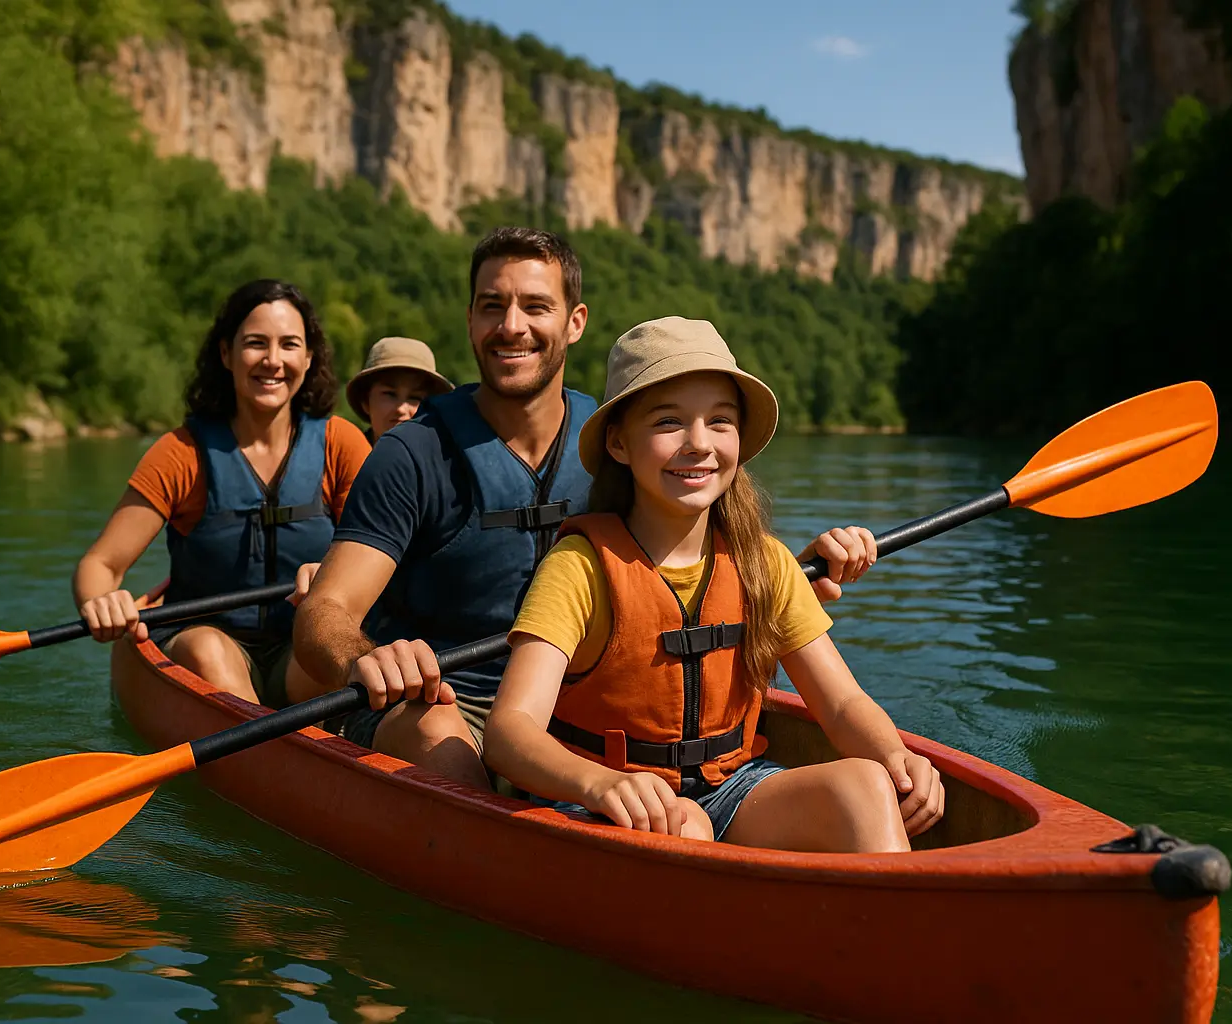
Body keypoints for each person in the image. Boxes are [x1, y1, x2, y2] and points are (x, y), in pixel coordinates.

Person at [293, 227, 879, 791]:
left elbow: (688, 545)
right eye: (492, 306)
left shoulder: (632, 441)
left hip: (584, 704)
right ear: (471, 320)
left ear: (575, 322)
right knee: (438, 728)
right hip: (442, 700)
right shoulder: (410, 454)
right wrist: (368, 658)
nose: (512, 326)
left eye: (535, 306)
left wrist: (779, 577)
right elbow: (325, 612)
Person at [483, 317, 944, 849]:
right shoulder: (578, 567)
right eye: (668, 422)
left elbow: (841, 705)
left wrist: (896, 758)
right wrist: (601, 783)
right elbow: (509, 731)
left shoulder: (763, 563)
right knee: (685, 826)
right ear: (619, 443)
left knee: (866, 785)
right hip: (594, 799)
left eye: (719, 421)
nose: (698, 443)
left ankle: (885, 926)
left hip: (731, 788)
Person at [73, 279, 370, 707]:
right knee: (209, 649)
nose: (273, 360)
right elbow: (100, 563)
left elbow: (384, 558)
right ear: (226, 354)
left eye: (289, 345)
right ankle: (269, 756)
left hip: (301, 649)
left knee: (334, 646)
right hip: (204, 645)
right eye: (255, 343)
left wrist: (333, 573)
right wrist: (101, 601)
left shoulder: (340, 444)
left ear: (308, 359)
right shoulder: (182, 453)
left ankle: (294, 749)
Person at [346, 336, 454, 445]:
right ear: (365, 402)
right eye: (390, 394)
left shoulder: (446, 460)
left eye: (414, 398)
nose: (401, 409)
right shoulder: (346, 458)